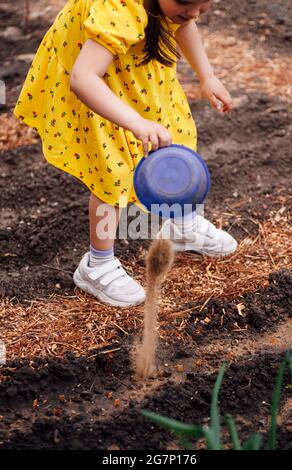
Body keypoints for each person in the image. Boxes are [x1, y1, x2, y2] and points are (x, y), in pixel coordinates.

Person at [14, 0, 237, 308]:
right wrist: (134, 122)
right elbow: (84, 78)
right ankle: (97, 264)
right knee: (113, 172)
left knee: (176, 136)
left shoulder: (175, 6)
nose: (195, 13)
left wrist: (207, 75)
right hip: (100, 87)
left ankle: (181, 224)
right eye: (187, 3)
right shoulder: (118, 8)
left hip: (139, 76)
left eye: (205, 5)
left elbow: (183, 22)